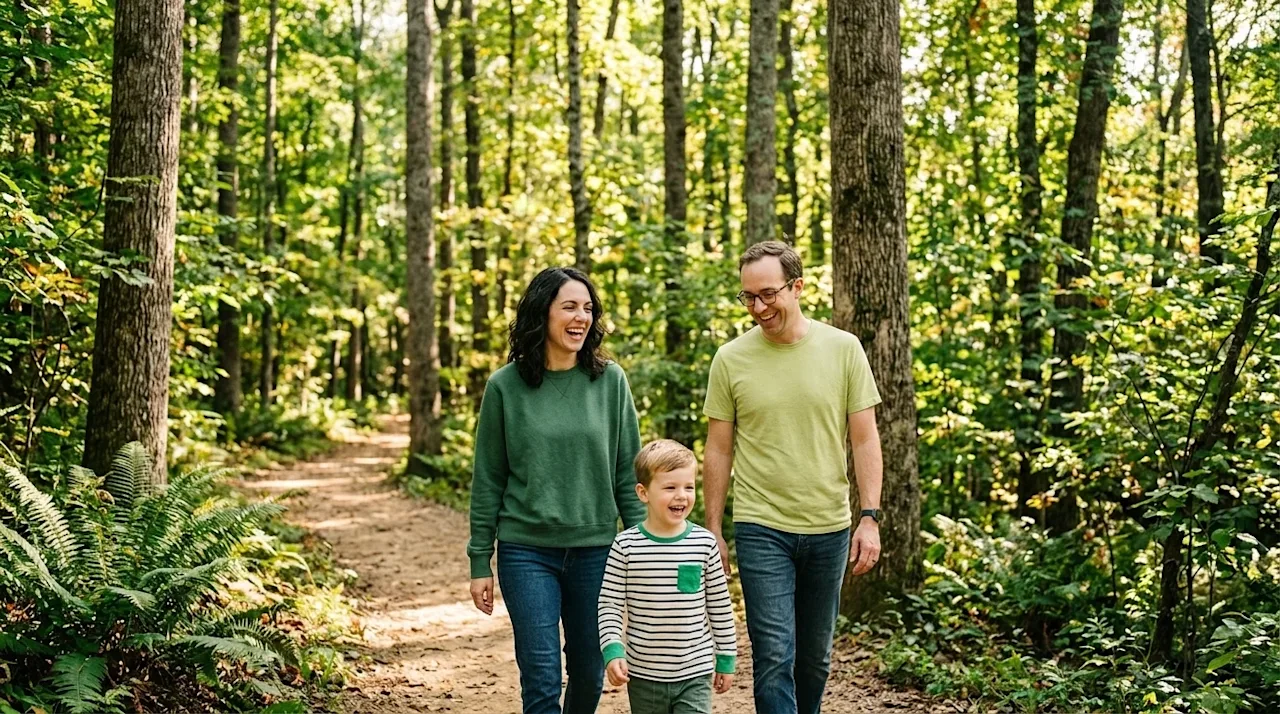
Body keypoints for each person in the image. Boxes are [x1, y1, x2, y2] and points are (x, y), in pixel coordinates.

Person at [702, 241, 885, 714]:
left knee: (814, 661)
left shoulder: (843, 349)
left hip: (829, 526)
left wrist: (870, 516)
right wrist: (715, 530)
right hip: (762, 526)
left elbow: (865, 439)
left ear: (797, 287)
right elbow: (719, 448)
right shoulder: (731, 358)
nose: (759, 308)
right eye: (749, 298)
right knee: (774, 657)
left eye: (768, 294)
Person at [466, 266, 647, 714]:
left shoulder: (610, 382)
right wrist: (478, 560)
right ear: (541, 313)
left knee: (589, 671)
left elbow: (628, 473)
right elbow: (488, 477)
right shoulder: (504, 386)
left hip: (597, 551)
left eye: (587, 308)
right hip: (526, 551)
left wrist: (647, 547)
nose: (580, 317)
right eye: (569, 306)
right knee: (542, 675)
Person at [597, 439, 737, 714]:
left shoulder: (704, 543)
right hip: (644, 674)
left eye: (688, 486)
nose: (681, 496)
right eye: (670, 487)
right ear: (643, 492)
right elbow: (610, 605)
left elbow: (720, 607)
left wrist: (726, 658)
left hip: (694, 671)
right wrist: (613, 650)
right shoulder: (626, 546)